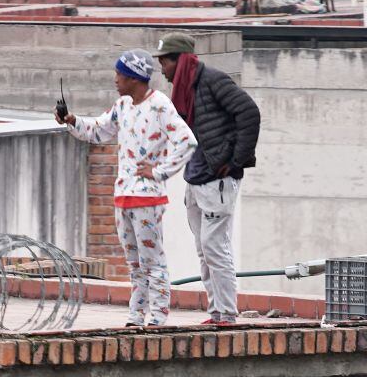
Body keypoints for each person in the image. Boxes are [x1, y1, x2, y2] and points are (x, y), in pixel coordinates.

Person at [57, 49, 196, 327]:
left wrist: (160, 171)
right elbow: (98, 130)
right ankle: (136, 315)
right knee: (134, 264)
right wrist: (72, 121)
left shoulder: (160, 105)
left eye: (120, 74)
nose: (116, 80)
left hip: (147, 198)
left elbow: (187, 141)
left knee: (152, 261)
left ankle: (157, 317)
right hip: (123, 196)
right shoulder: (122, 106)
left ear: (134, 77)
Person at [153, 32, 261, 326]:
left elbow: (249, 112)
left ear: (180, 60)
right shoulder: (185, 88)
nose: (162, 69)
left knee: (215, 246)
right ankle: (216, 312)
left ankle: (226, 313)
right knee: (203, 249)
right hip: (197, 177)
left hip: (218, 180)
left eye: (165, 61)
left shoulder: (213, 80)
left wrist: (235, 161)